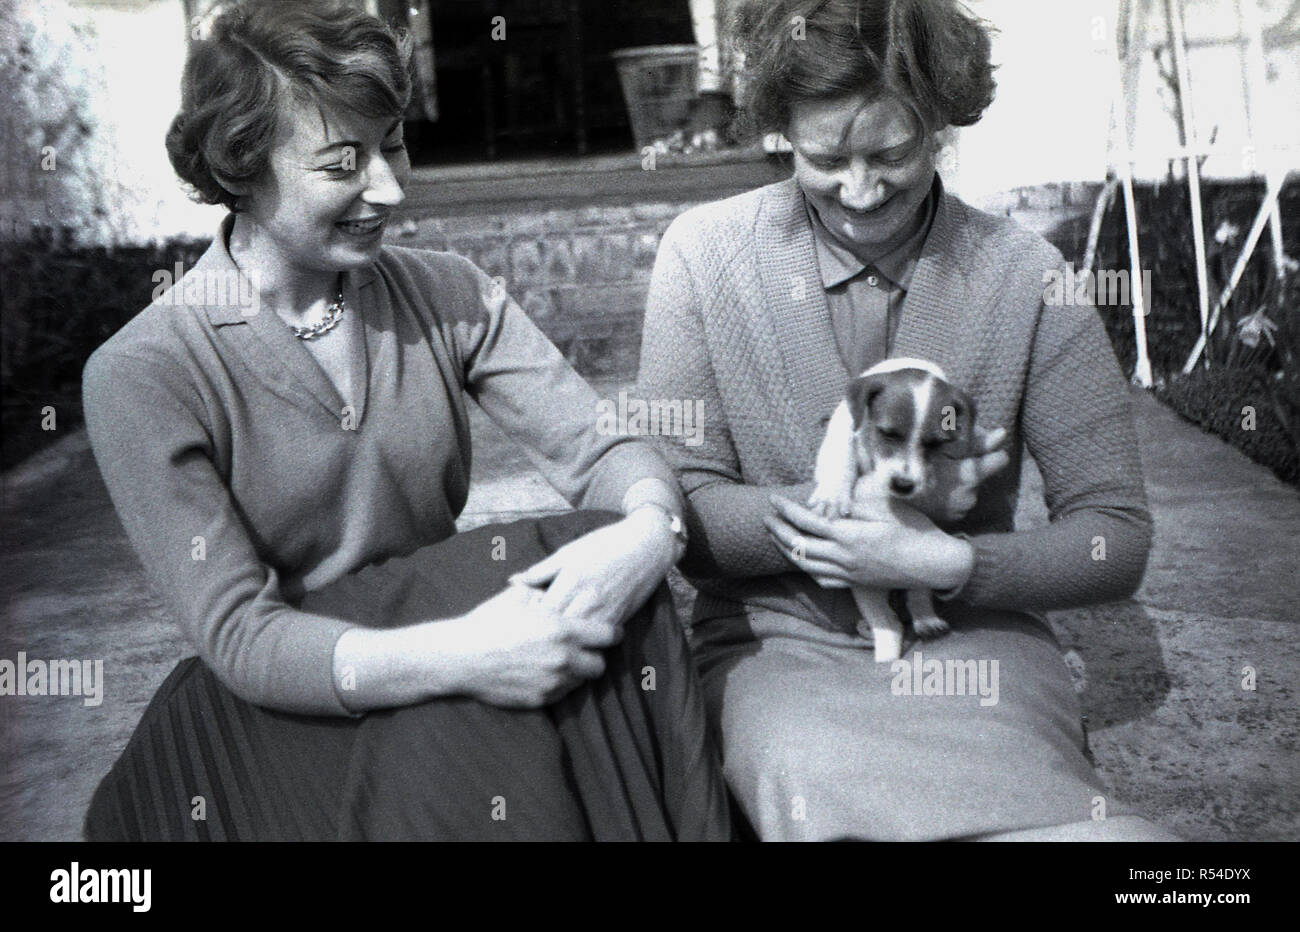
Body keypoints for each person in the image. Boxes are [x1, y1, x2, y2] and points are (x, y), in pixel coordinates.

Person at [80, 0, 729, 841]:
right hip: (290, 705)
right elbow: (240, 635)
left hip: (447, 646)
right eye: (342, 162)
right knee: (528, 614)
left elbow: (601, 450)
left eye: (393, 143)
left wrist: (647, 534)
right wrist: (467, 656)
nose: (389, 186)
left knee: (599, 568)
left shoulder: (445, 291)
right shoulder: (145, 371)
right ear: (241, 164)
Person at [636, 0, 1180, 841]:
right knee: (823, 797)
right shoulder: (704, 257)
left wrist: (950, 559)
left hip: (969, 636)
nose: (859, 192)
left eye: (891, 153)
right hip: (780, 642)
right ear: (781, 131)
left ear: (940, 123)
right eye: (825, 159)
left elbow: (1116, 537)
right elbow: (679, 507)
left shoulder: (1027, 275)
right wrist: (862, 524)